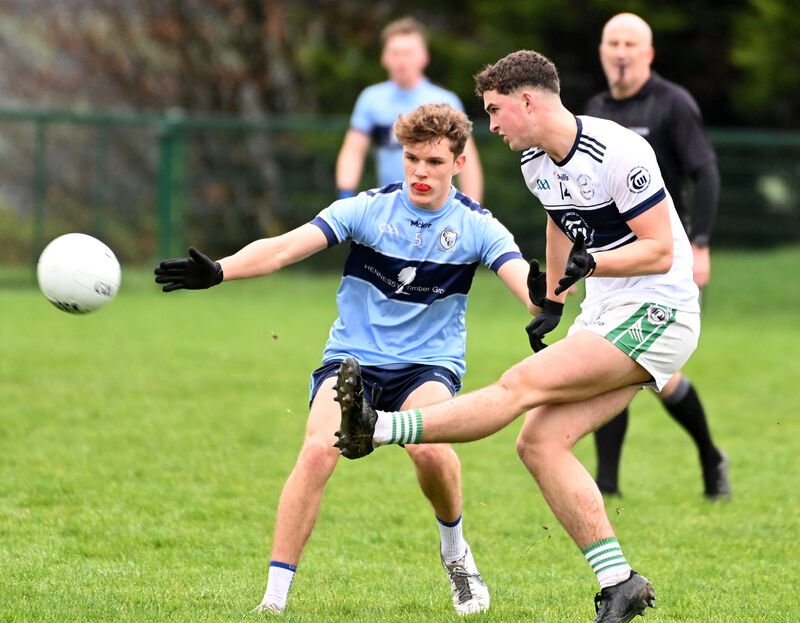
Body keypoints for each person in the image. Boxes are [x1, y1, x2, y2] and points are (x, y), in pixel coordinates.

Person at [332, 49, 703, 622]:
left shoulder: (621, 151)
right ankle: (620, 583)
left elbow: (660, 251)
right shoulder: (535, 160)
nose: (492, 124)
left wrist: (595, 267)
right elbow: (559, 217)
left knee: (521, 383)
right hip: (607, 313)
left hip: (660, 311)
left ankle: (377, 427)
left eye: (495, 110)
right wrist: (552, 300)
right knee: (538, 443)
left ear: (527, 100)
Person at [155, 103, 540, 616]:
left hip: (427, 364)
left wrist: (544, 302)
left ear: (459, 161)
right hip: (352, 359)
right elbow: (284, 249)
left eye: (433, 161)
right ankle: (273, 601)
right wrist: (220, 271)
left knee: (428, 450)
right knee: (317, 452)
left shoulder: (476, 226)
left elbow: (525, 284)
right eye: (411, 159)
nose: (420, 172)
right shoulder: (367, 209)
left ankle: (456, 554)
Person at [585, 12, 730, 500]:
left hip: (664, 260)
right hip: (610, 263)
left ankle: (710, 457)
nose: (621, 52)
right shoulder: (596, 110)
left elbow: (705, 174)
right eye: (613, 43)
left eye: (631, 43)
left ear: (648, 53)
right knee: (613, 361)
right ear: (602, 51)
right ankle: (608, 481)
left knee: (649, 372)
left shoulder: (673, 105)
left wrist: (703, 243)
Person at [335, 16, 483, 202]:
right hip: (389, 206)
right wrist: (345, 196)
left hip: (436, 209)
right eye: (396, 53)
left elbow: (467, 160)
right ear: (384, 57)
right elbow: (353, 151)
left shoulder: (445, 101)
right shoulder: (371, 99)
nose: (402, 60)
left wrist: (472, 208)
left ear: (424, 57)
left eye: (409, 52)